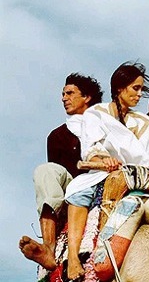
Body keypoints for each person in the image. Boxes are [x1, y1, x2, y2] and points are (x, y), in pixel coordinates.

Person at [64, 61, 149, 280]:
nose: (139, 95)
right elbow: (92, 147)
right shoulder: (96, 114)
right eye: (135, 88)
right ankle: (72, 258)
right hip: (107, 174)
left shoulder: (143, 121)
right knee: (77, 192)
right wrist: (102, 158)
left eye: (140, 89)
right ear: (120, 88)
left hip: (147, 178)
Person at [19, 73, 103, 270]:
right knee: (45, 171)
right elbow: (57, 174)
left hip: (109, 180)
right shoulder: (57, 136)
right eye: (63, 94)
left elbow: (139, 141)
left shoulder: (107, 124)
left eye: (70, 93)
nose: (64, 98)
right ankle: (48, 247)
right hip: (74, 187)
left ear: (87, 97)